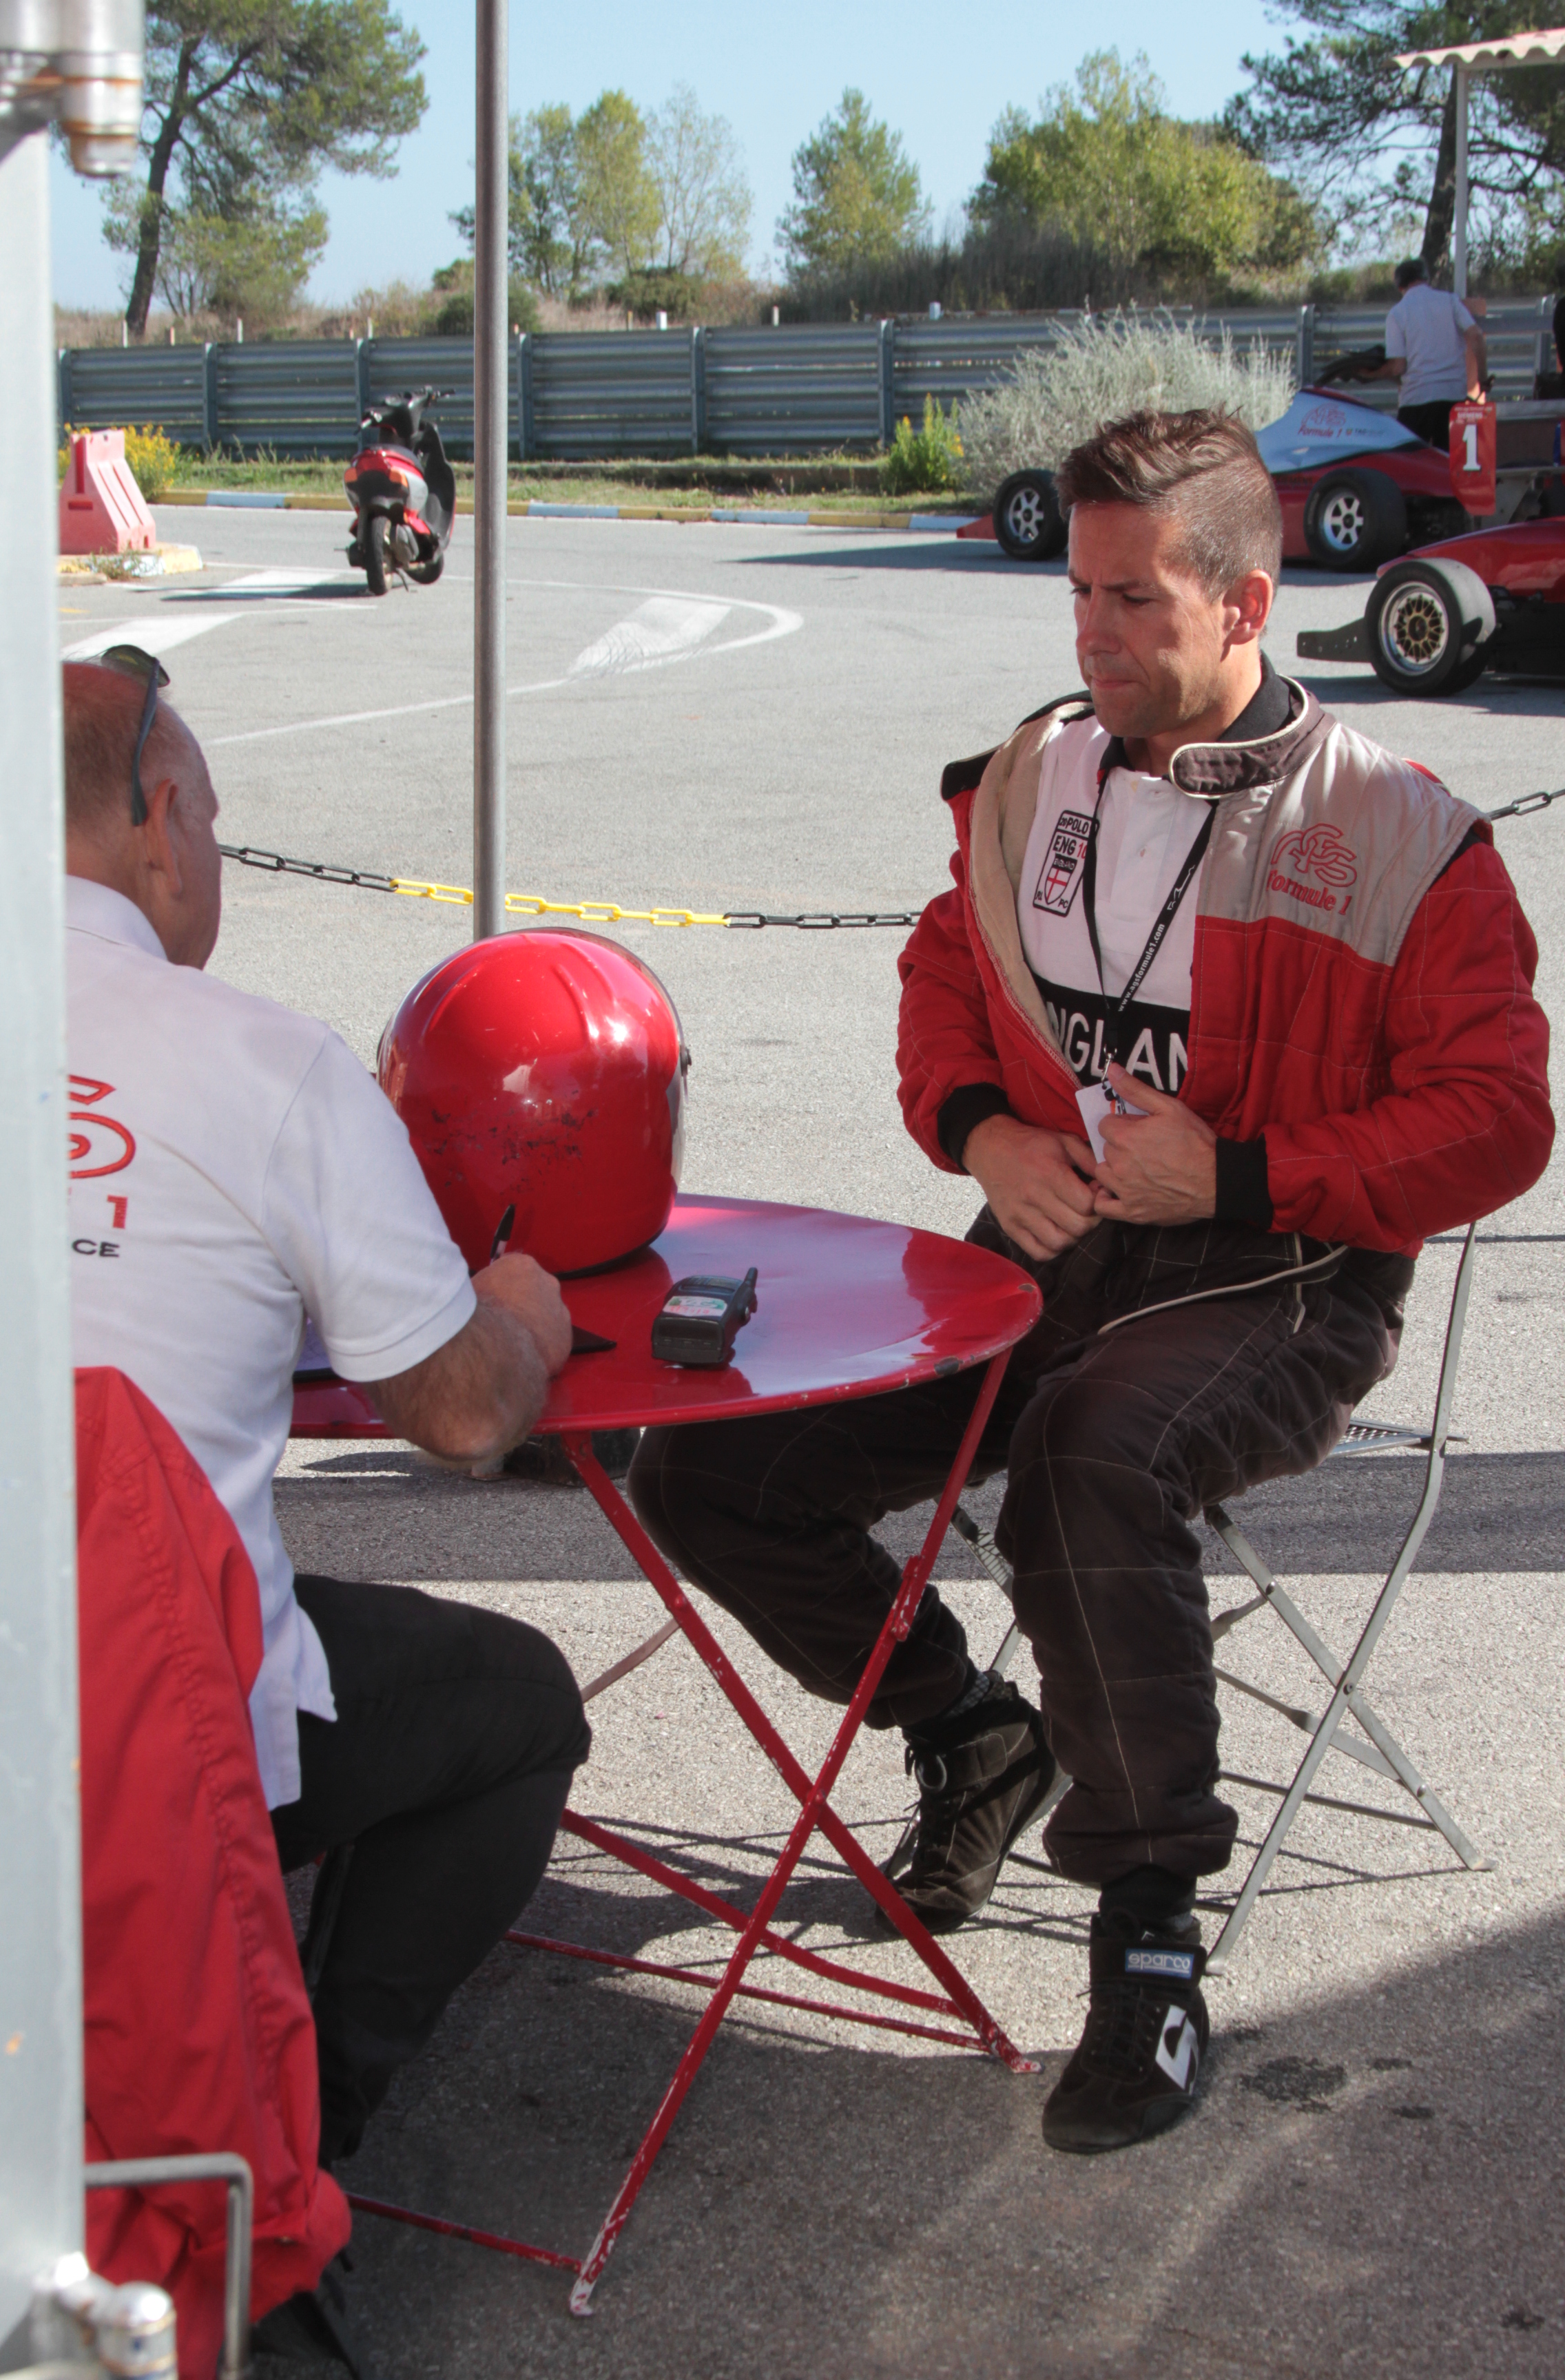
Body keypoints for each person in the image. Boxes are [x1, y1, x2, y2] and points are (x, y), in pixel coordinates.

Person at [630, 408, 1553, 2155]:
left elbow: (1501, 1120)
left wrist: (1249, 1174)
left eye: (1135, 600)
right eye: (1079, 594)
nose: (1093, 634)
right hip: (1054, 1237)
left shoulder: (1403, 832)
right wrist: (982, 1130)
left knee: (1085, 1458)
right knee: (712, 1465)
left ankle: (1147, 1939)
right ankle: (973, 1729)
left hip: (1284, 1272)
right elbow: (942, 978)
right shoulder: (1034, 776)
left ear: (1246, 603)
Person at [63, 652, 591, 2194]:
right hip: (135, 1735)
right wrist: (522, 1317)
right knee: (515, 1704)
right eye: (214, 825)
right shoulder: (260, 1063)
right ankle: (295, 2143)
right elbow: (466, 1414)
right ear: (161, 821)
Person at [1375, 255, 1486, 448]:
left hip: (1416, 401)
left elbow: (1398, 367)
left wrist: (1372, 374)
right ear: (1426, 279)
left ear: (1400, 286)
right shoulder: (1450, 301)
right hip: (1454, 397)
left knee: (1411, 463)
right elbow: (1476, 336)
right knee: (1451, 462)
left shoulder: (1397, 313)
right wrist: (1482, 379)